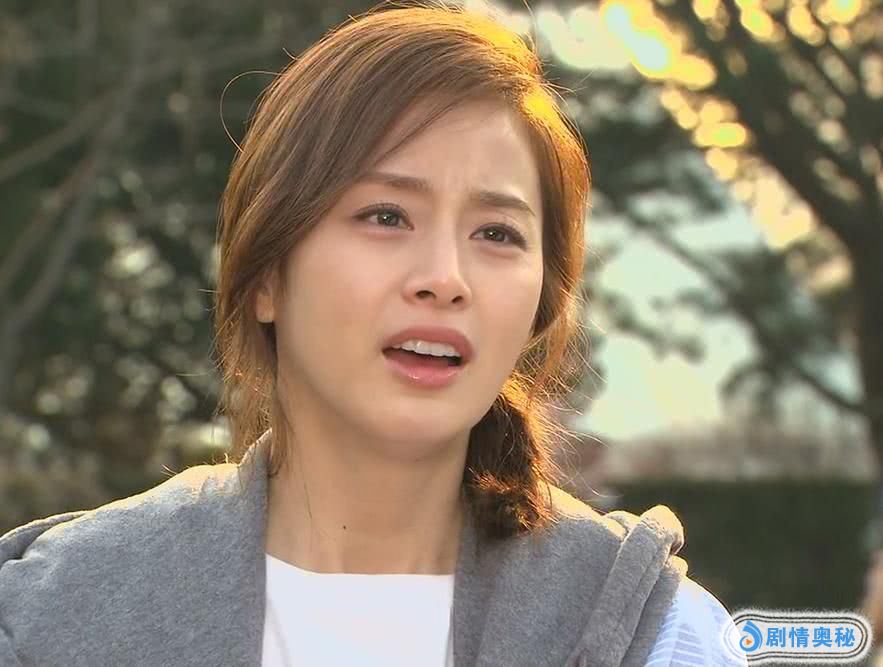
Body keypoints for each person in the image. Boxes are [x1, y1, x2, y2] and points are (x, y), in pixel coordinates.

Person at [0, 2, 748, 665]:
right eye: (386, 216)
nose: (445, 277)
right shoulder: (56, 615)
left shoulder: (652, 635)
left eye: (496, 232)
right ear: (266, 275)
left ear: (539, 306)